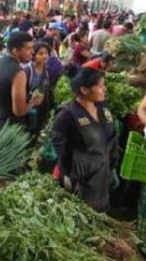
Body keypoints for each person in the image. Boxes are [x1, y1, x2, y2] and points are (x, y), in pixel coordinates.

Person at [51, 68, 120, 213]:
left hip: (102, 178)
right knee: (81, 217)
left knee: (99, 214)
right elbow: (61, 150)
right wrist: (72, 176)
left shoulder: (103, 108)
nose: (104, 89)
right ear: (84, 89)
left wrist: (112, 166)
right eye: (100, 86)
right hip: (80, 181)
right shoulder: (66, 115)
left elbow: (112, 138)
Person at [0, 32, 44, 131]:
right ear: (15, 50)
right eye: (28, 48)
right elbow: (19, 111)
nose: (33, 52)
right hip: (7, 128)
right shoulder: (18, 73)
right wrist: (33, 102)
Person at [26, 42, 52, 133]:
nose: (45, 56)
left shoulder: (47, 70)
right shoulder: (28, 70)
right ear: (34, 55)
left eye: (46, 53)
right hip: (29, 108)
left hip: (42, 108)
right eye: (41, 53)